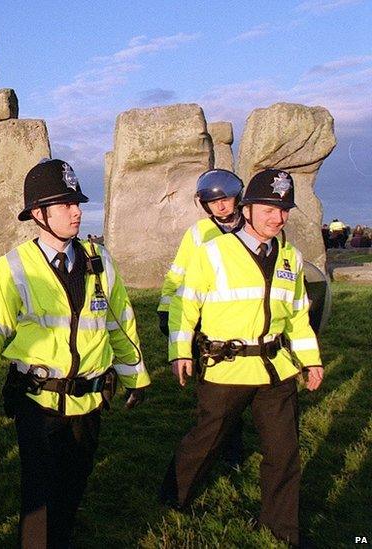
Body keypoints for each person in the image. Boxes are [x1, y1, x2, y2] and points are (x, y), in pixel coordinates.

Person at [0, 159, 149, 547]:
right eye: (65, 204)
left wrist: (135, 376)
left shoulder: (100, 262)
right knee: (40, 494)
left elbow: (121, 324)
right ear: (38, 214)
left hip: (90, 399)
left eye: (77, 203)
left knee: (74, 483)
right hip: (39, 401)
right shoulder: (13, 267)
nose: (77, 211)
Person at [160, 169, 324, 547]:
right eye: (269, 208)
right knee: (206, 438)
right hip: (227, 366)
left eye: (283, 210)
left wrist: (310, 360)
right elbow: (186, 306)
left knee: (284, 451)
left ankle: (282, 531)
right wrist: (180, 351)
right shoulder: (212, 252)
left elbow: (298, 315)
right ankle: (174, 497)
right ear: (248, 209)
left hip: (275, 368)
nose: (277, 217)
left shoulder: (290, 257)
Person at [158, 169, 247, 467]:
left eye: (225, 198)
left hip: (245, 319)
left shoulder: (252, 229)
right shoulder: (197, 233)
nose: (220, 206)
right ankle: (226, 446)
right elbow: (178, 274)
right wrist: (165, 307)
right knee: (213, 390)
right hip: (207, 320)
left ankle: (233, 440)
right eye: (212, 201)